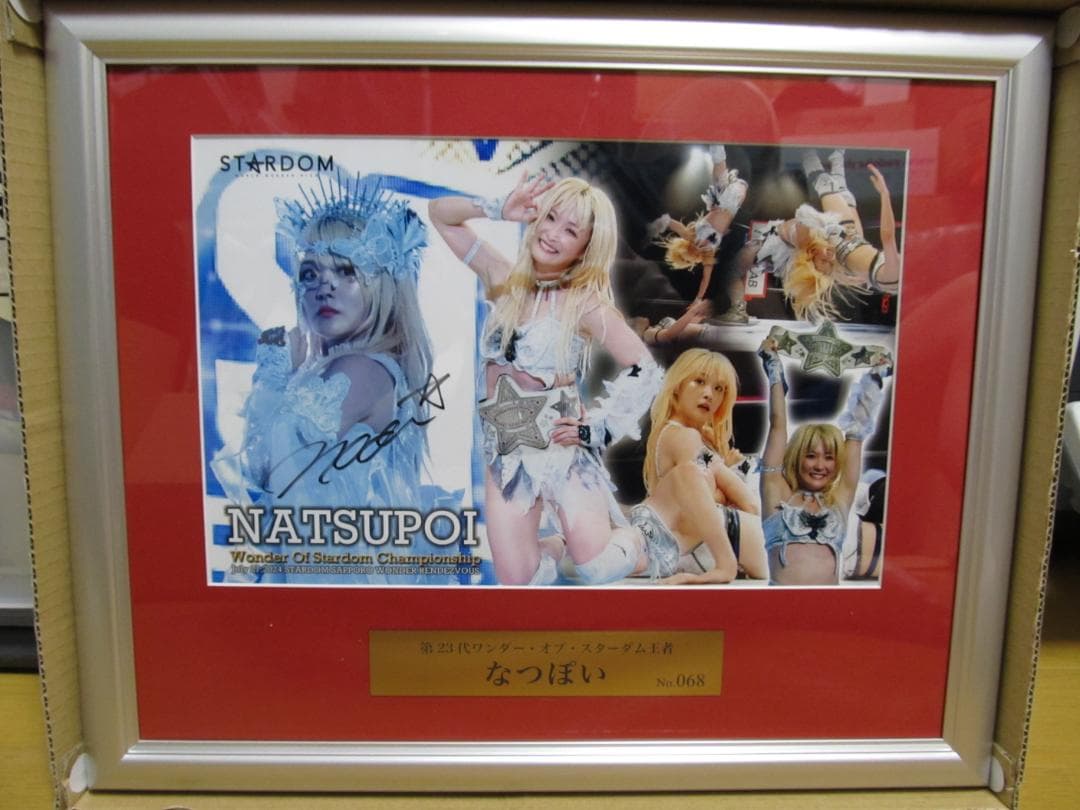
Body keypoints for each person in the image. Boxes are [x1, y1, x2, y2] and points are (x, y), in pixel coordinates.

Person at [213, 172, 449, 585]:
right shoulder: (344, 368)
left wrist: (273, 379)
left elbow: (272, 470)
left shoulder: (361, 369)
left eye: (345, 270)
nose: (324, 286)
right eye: (310, 273)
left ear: (383, 285)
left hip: (340, 583)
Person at [428, 174, 663, 586]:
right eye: (550, 218)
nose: (553, 234)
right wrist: (498, 208)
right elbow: (440, 215)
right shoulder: (501, 277)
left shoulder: (584, 302)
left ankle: (641, 538)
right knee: (519, 582)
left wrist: (596, 428)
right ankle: (558, 545)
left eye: (570, 230)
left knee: (596, 567)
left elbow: (645, 370)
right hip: (507, 452)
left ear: (585, 247)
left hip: (560, 451)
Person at [758, 335, 891, 585]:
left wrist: (875, 378)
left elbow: (856, 434)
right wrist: (773, 367)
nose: (820, 466)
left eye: (829, 458)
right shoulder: (776, 493)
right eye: (811, 456)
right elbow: (777, 426)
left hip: (829, 606)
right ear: (796, 457)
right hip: (778, 604)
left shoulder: (839, 498)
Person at [629, 349, 767, 584]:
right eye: (699, 381)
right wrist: (724, 489)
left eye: (719, 388)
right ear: (677, 386)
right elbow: (747, 504)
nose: (708, 394)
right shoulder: (685, 437)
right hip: (721, 542)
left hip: (706, 546)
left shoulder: (678, 435)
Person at [753, 149, 900, 322]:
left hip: (842, 243)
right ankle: (836, 157)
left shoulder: (895, 274)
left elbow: (888, 236)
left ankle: (807, 150)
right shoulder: (892, 278)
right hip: (851, 246)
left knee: (825, 184)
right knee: (843, 196)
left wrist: (884, 194)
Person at [648, 145, 751, 323]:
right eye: (688, 260)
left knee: (720, 178)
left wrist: (658, 225)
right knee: (726, 184)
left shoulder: (692, 236)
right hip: (730, 204)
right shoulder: (708, 254)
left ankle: (717, 145)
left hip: (720, 202)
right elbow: (705, 279)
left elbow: (673, 224)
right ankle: (726, 166)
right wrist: (698, 299)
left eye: (685, 256)